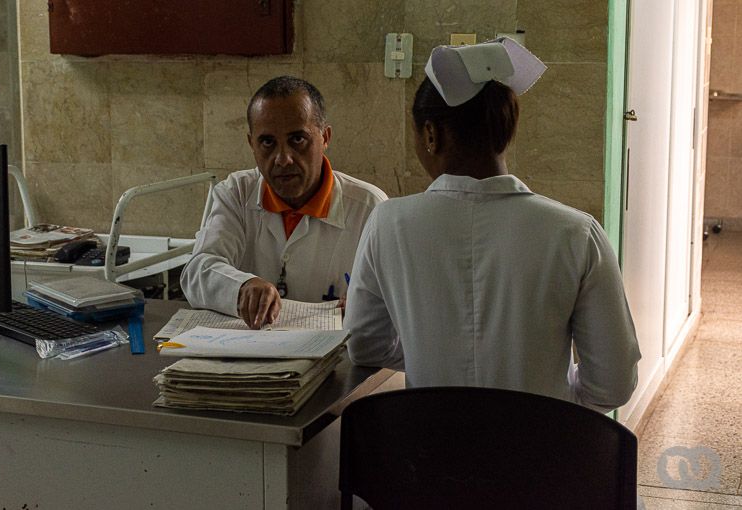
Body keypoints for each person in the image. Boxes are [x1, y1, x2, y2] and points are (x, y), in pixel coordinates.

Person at [344, 38, 641, 413]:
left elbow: (365, 344)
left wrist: (432, 357)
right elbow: (613, 385)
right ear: (506, 130)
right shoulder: (576, 233)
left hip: (428, 455)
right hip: (545, 455)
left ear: (431, 135)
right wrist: (553, 401)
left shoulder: (388, 224)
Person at [181, 76, 388, 329]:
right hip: (251, 356)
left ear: (325, 138)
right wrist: (243, 287)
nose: (283, 159)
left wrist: (370, 307)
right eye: (267, 142)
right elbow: (198, 270)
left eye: (297, 140)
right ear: (251, 144)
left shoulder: (370, 208)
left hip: (336, 358)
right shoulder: (236, 193)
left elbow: (393, 306)